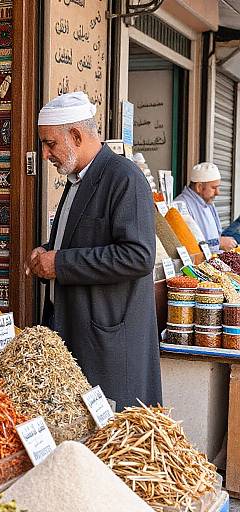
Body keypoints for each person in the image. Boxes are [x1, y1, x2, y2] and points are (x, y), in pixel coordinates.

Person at [27, 92, 162, 411]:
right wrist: (47, 252)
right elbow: (84, 240)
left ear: (75, 136)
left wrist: (59, 263)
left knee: (113, 443)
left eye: (49, 144)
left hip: (109, 342)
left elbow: (138, 256)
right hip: (76, 330)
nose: (45, 155)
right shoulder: (76, 180)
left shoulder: (124, 178)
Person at [173, 163, 237, 252]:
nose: (218, 192)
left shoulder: (209, 202)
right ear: (199, 187)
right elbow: (187, 245)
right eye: (214, 188)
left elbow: (218, 235)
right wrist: (219, 243)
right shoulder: (180, 205)